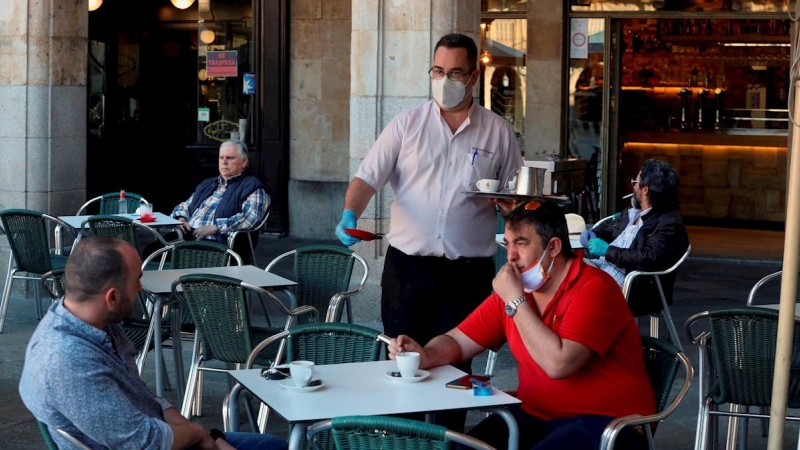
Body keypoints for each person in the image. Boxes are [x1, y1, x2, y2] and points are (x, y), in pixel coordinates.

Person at [334, 32, 522, 388]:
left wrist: (510, 208)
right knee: (403, 365)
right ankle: (406, 441)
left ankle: (450, 442)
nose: (444, 80)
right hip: (408, 269)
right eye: (437, 71)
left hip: (467, 274)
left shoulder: (498, 132)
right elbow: (367, 178)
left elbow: (514, 198)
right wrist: (349, 215)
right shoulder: (407, 124)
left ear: (472, 77)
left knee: (457, 371)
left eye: (454, 73)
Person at [389, 201, 655, 450]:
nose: (511, 256)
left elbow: (558, 365)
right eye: (507, 244)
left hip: (610, 423)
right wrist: (426, 355)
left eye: (521, 243)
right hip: (535, 413)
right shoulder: (519, 288)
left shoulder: (593, 288)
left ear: (553, 247)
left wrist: (515, 301)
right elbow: (458, 341)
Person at [19, 237, 288, 450]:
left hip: (164, 434)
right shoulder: (68, 360)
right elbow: (144, 443)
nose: (141, 288)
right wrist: (198, 433)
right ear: (112, 297)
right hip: (153, 442)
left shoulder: (97, 323)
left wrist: (207, 438)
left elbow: (144, 397)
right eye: (137, 281)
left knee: (271, 444)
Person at [580, 158, 690, 317]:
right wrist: (594, 233)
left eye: (635, 182)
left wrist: (607, 250)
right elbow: (608, 227)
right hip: (604, 270)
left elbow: (648, 257)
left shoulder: (669, 224)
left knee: (574, 287)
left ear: (645, 189)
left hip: (634, 284)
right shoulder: (632, 213)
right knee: (564, 268)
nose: (633, 186)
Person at [170, 140, 269, 262]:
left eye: (230, 158)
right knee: (151, 250)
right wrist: (182, 219)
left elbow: (251, 218)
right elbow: (184, 205)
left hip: (218, 244)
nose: (224, 162)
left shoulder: (253, 186)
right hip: (187, 238)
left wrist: (216, 227)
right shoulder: (208, 184)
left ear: (244, 162)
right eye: (221, 157)